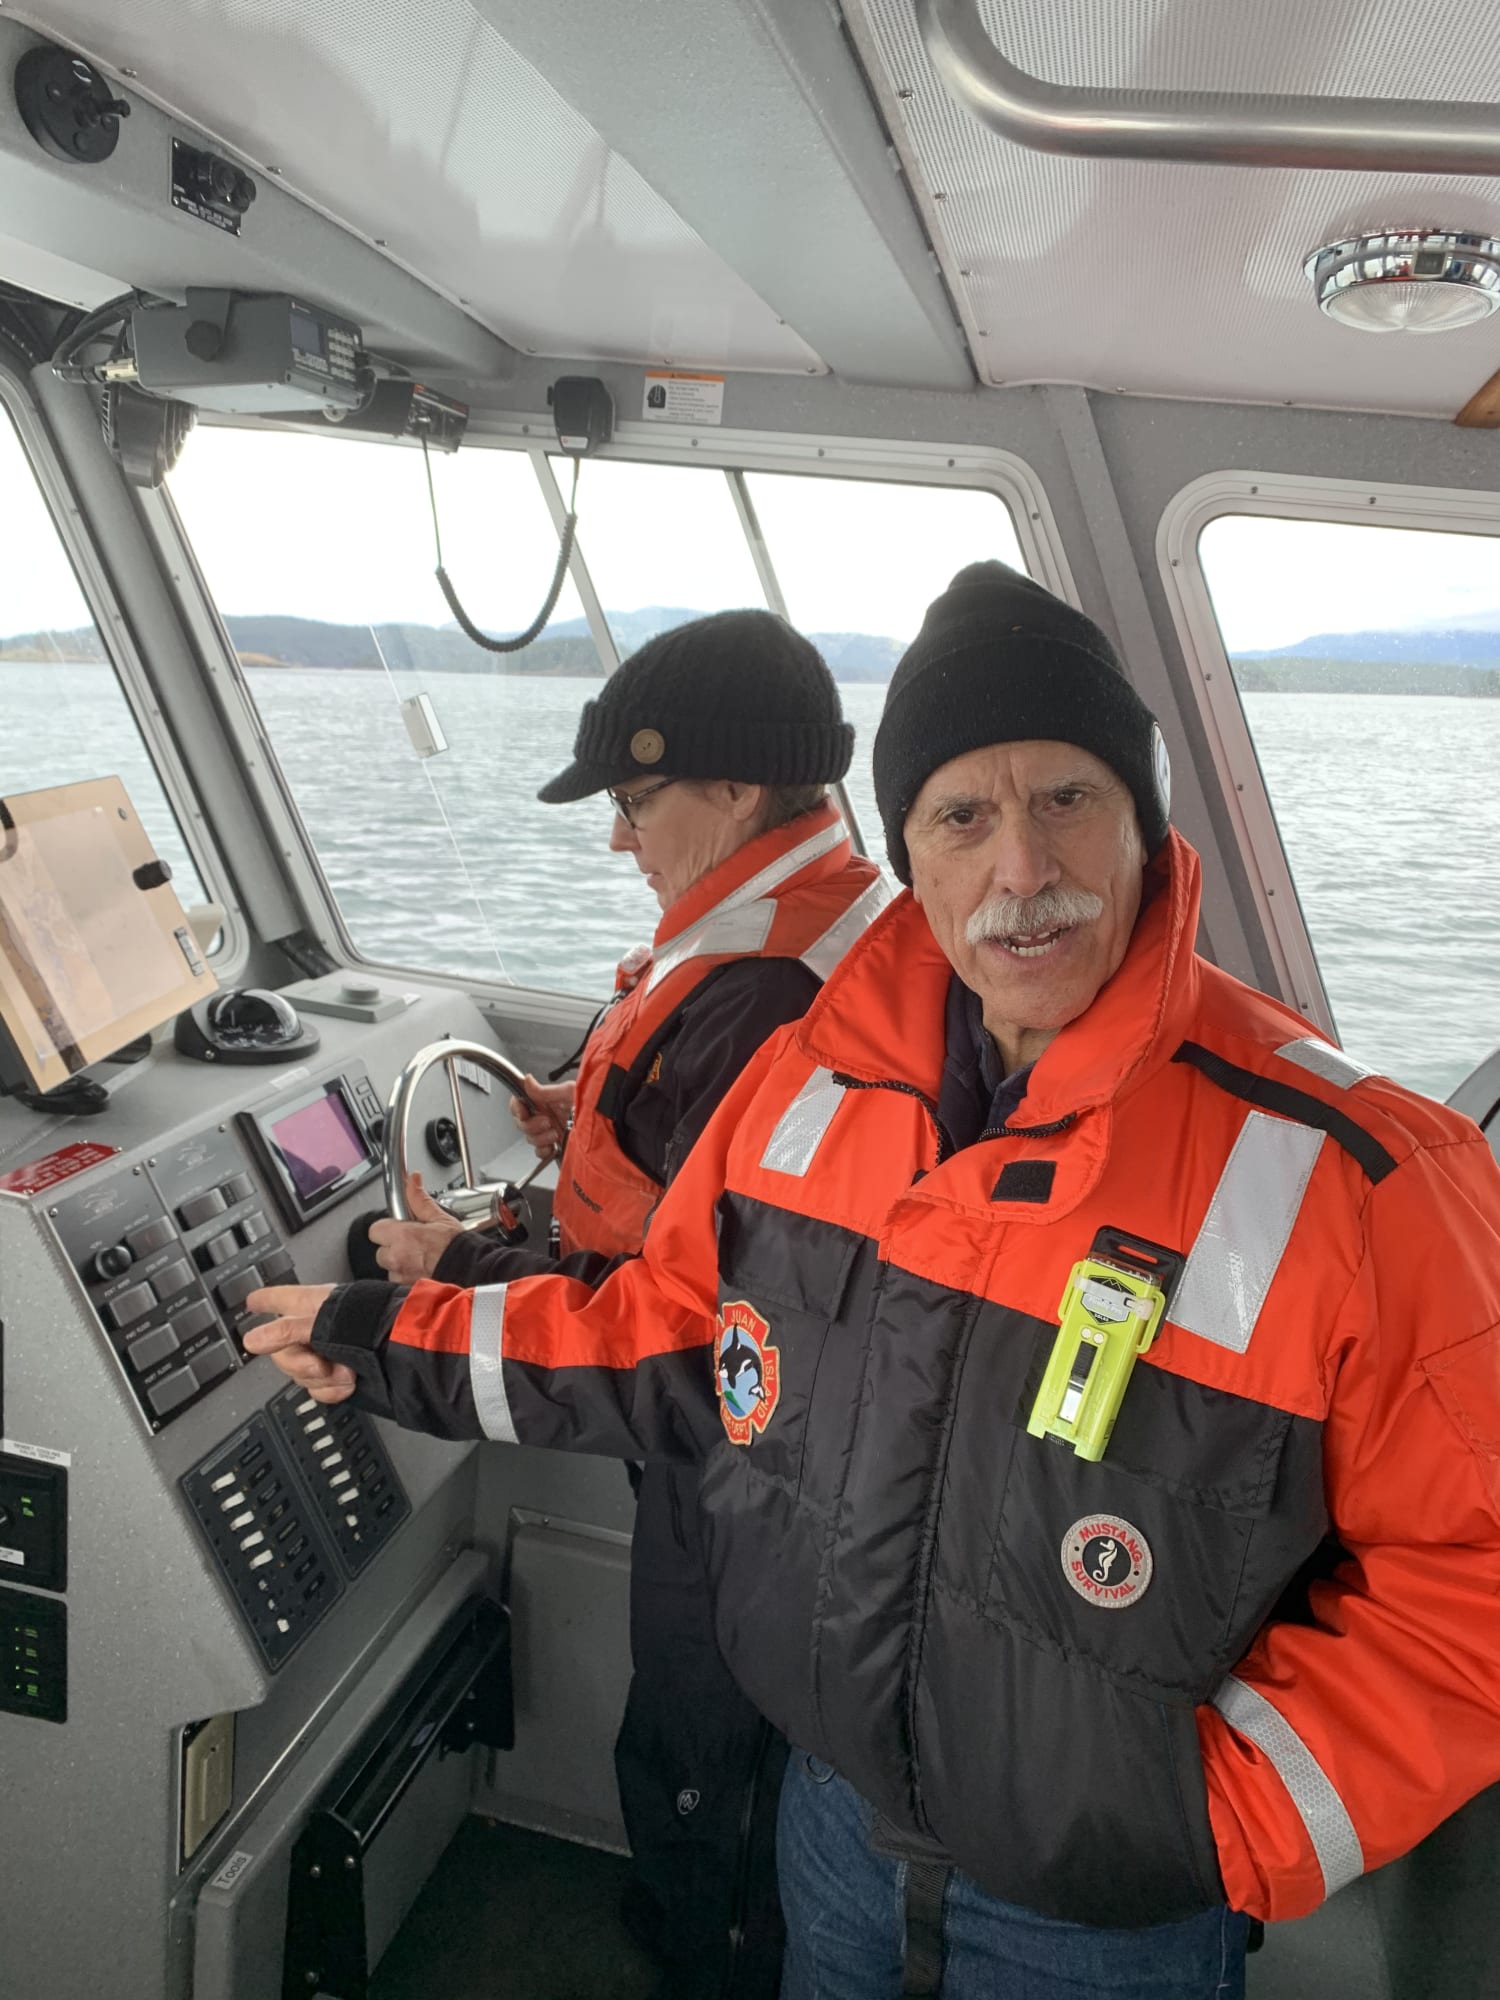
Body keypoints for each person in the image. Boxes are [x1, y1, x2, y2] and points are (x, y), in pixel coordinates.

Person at [248, 563, 1500, 2000]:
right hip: (832, 1831)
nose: (1022, 871)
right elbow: (665, 1330)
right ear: (911, 853)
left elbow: (1476, 1579)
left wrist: (1223, 1817)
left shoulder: (1365, 1173)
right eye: (965, 816)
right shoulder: (805, 1088)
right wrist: (384, 1335)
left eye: (1070, 801)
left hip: (1106, 1915)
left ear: (1148, 830)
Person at [360, 607, 887, 2000]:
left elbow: (686, 1310)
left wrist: (440, 1292)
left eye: (636, 804)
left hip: (743, 1463)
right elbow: (678, 1187)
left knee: (707, 1748)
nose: (618, 841)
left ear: (734, 788)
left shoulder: (768, 992)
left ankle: (709, 1959)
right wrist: (570, 1123)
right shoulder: (797, 926)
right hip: (775, 1435)